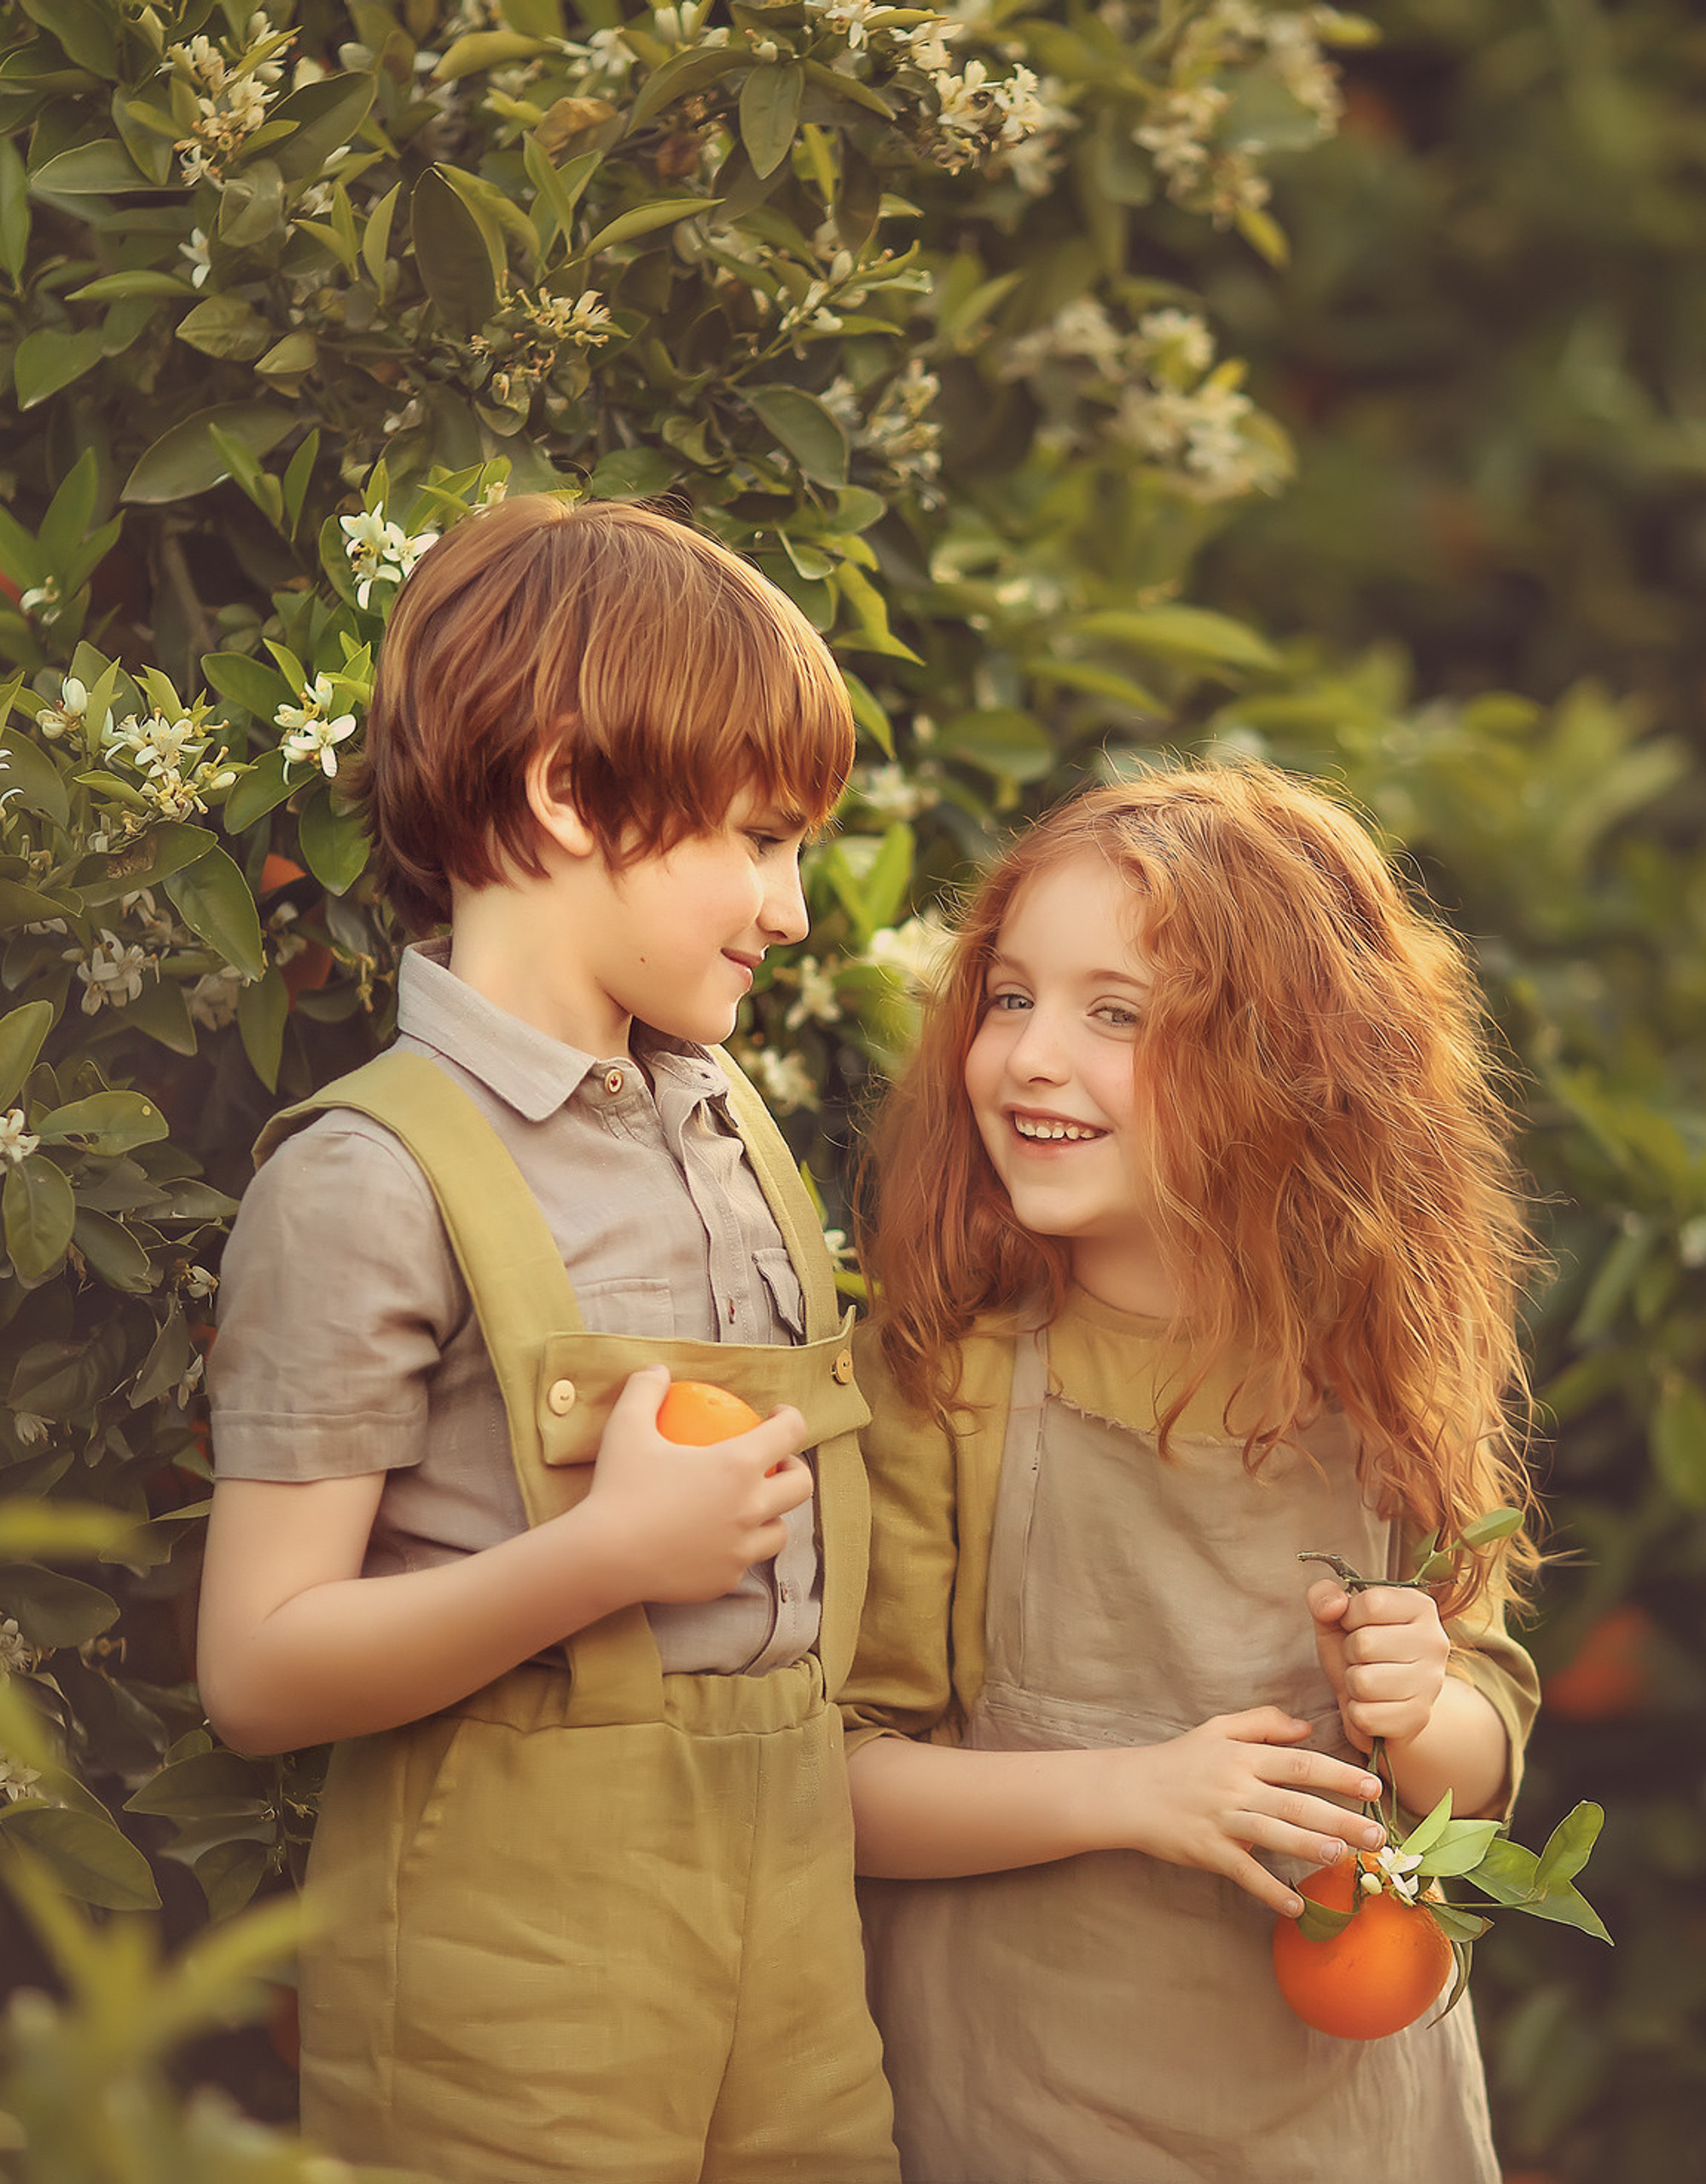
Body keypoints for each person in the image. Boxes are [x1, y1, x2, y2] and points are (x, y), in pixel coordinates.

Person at [196, 497, 898, 2184]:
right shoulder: (368, 1176)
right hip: (508, 1999)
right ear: (569, 789)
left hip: (801, 1957)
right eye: (756, 837)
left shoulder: (732, 1120)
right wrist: (599, 1558)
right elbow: (259, 1664)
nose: (791, 908)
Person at [842, 761, 1543, 2184]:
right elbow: (834, 1786)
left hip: (1355, 2124)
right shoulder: (944, 1378)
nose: (1034, 1057)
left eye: (1118, 1016)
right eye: (1013, 997)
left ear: (1287, 1070)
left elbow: (1479, 1770)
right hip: (1032, 2107)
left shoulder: (1379, 1380)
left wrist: (1424, 1707)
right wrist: (1132, 1793)